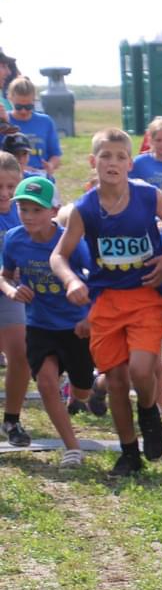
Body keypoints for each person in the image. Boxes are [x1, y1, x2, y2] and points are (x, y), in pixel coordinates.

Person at [51, 128, 162, 476]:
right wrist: (72, 280)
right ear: (93, 162)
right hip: (105, 301)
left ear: (131, 163)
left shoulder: (149, 196)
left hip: (147, 296)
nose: (113, 163)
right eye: (106, 156)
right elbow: (59, 256)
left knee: (139, 369)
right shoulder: (84, 208)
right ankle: (129, 452)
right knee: (116, 379)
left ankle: (149, 411)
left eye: (120, 157)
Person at [0, 176, 94, 465]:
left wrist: (90, 316)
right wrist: (12, 290)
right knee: (45, 383)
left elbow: (98, 281)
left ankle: (84, 391)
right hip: (39, 325)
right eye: (23, 209)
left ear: (54, 211)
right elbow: (4, 275)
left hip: (75, 326)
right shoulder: (14, 239)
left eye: (36, 210)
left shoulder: (70, 241)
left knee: (83, 390)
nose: (28, 216)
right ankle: (72, 448)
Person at [0, 153, 31, 445]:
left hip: (11, 292)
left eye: (11, 187)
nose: (5, 193)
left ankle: (11, 419)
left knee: (20, 355)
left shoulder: (21, 212)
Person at [5, 76, 61, 177]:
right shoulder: (4, 123)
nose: (23, 111)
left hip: (41, 177)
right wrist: (22, 168)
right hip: (11, 179)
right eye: (18, 107)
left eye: (28, 107)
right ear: (10, 99)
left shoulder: (45, 122)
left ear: (34, 101)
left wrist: (50, 166)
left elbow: (55, 154)